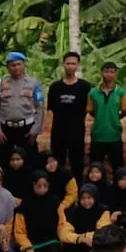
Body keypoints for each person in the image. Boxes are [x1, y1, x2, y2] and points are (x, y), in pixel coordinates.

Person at [0, 51, 44, 165]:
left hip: (26, 129)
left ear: (24, 65)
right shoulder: (0, 83)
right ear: (7, 67)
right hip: (5, 129)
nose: (16, 68)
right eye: (13, 65)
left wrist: (36, 130)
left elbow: (40, 108)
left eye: (19, 64)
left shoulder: (34, 83)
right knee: (4, 160)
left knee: (30, 160)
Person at [47, 52, 92, 184]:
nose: (70, 66)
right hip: (58, 131)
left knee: (77, 163)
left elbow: (89, 109)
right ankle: (58, 189)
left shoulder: (85, 87)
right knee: (57, 162)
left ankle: (77, 189)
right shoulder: (55, 87)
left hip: (77, 131)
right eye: (68, 63)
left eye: (73, 63)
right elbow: (50, 110)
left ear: (78, 65)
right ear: (63, 64)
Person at [15, 170, 65, 252]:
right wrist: (27, 248)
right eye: (39, 186)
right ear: (33, 185)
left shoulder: (55, 202)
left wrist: (62, 240)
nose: (42, 189)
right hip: (33, 245)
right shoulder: (24, 205)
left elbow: (62, 224)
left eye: (45, 186)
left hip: (51, 242)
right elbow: (19, 232)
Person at [86, 63, 126, 172]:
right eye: (106, 71)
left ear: (116, 74)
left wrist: (114, 118)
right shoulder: (93, 93)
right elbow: (91, 111)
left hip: (115, 135)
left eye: (112, 72)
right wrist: (101, 117)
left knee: (118, 168)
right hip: (97, 135)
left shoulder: (121, 93)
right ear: (101, 73)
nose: (109, 74)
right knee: (95, 167)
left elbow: (125, 111)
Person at [61, 182, 111, 252]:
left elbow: (103, 232)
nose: (86, 201)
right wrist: (80, 239)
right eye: (83, 198)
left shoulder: (103, 211)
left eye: (89, 198)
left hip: (94, 245)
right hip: (77, 245)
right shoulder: (73, 212)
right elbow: (64, 233)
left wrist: (86, 236)